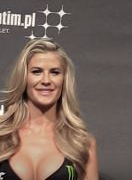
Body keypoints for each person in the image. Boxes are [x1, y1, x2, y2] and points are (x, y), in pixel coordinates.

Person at [0, 39, 98, 180]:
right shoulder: (2, 135)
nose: (46, 80)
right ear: (24, 78)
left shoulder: (81, 143)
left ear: (64, 80)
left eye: (54, 72)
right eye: (37, 71)